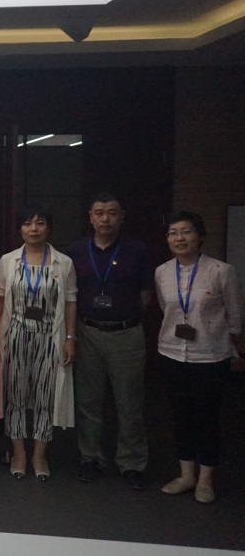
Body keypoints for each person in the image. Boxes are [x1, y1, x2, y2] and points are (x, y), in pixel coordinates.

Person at [66, 191, 154, 490]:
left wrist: (123, 317)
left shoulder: (137, 250)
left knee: (130, 402)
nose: (106, 219)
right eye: (99, 213)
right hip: (87, 332)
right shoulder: (76, 251)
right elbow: (69, 295)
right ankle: (90, 457)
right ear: (90, 217)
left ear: (122, 217)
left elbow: (145, 295)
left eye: (112, 213)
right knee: (88, 401)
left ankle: (132, 463)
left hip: (126, 334)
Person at [154, 211, 243, 504]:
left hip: (210, 357)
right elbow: (166, 308)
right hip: (171, 353)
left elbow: (234, 317)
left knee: (207, 418)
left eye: (186, 232)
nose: (179, 238)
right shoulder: (162, 272)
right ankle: (186, 475)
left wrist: (231, 343)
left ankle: (205, 479)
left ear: (200, 236)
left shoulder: (221, 271)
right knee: (180, 417)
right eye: (173, 233)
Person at [0, 204, 77, 481]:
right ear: (20, 229)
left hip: (49, 337)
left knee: (45, 395)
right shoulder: (8, 261)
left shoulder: (63, 262)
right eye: (28, 223)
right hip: (15, 335)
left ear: (48, 228)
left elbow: (70, 301)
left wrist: (69, 338)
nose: (33, 229)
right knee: (15, 395)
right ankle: (18, 452)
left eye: (40, 223)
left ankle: (39, 454)